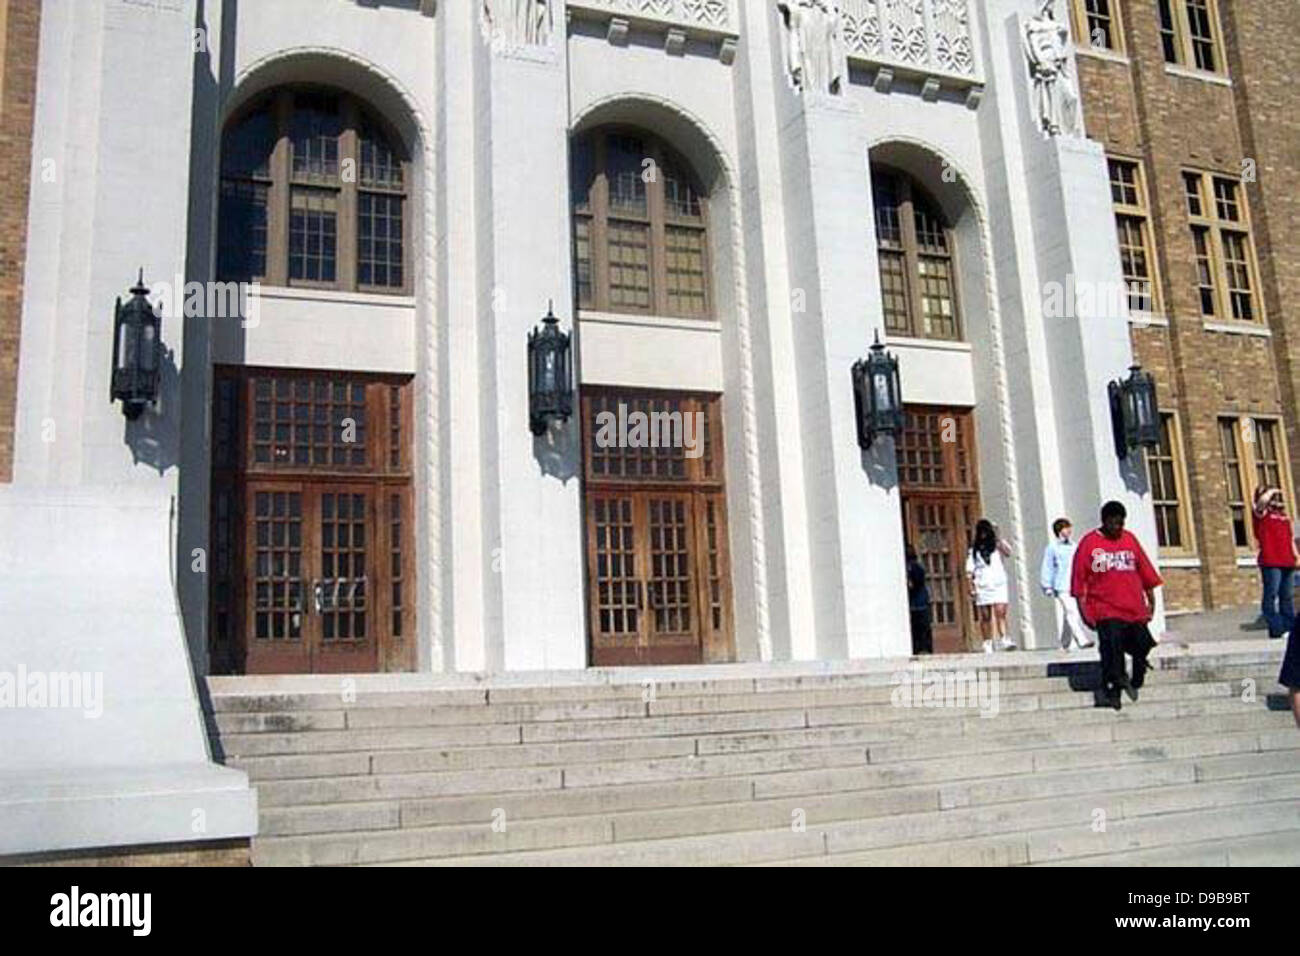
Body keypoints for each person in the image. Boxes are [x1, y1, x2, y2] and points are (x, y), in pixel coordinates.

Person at [1070, 500, 1163, 710]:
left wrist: (1151, 601)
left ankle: (1138, 671)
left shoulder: (1129, 540)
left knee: (1142, 642)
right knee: (1112, 649)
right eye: (1113, 524)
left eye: (1121, 524)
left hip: (1133, 608)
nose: (1117, 528)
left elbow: (1145, 571)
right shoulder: (1090, 544)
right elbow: (1079, 580)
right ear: (1104, 522)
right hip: (1105, 609)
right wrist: (1084, 612)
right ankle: (1113, 689)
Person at [1039, 517, 1094, 651]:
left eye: (1069, 527)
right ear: (1059, 530)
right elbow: (1048, 566)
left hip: (1075, 584)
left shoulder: (1074, 546)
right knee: (1071, 611)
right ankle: (1082, 640)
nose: (1069, 530)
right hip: (1061, 585)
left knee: (1068, 615)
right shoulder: (1052, 548)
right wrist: (1047, 585)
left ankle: (1064, 642)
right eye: (1065, 527)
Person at [1251, 486, 1297, 641]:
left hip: (1287, 560)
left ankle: (1290, 628)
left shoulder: (1283, 517)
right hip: (1271, 561)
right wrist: (1271, 491)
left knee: (1287, 597)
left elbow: (1289, 538)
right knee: (1271, 595)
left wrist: (1296, 555)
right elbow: (1261, 504)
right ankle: (1277, 628)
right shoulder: (1262, 515)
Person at [966, 519, 1014, 654]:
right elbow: (969, 571)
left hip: (998, 583)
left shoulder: (997, 547)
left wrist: (998, 536)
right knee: (985, 616)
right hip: (983, 585)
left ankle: (1004, 638)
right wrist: (971, 587)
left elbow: (1008, 552)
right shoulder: (974, 551)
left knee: (1001, 612)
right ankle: (987, 641)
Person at [906, 545, 933, 656]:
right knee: (923, 629)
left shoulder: (912, 567)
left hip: (916, 603)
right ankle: (925, 648)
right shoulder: (919, 566)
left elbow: (914, 584)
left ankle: (921, 648)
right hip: (922, 602)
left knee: (918, 629)